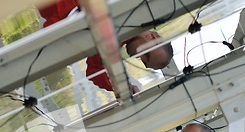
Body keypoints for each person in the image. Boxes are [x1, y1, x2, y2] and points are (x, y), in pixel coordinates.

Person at [38, 0, 173, 92]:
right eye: (146, 55)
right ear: (153, 38)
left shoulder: (113, 44)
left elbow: (94, 70)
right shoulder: (136, 7)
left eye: (142, 60)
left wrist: (122, 87)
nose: (137, 57)